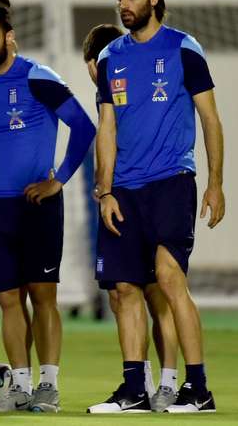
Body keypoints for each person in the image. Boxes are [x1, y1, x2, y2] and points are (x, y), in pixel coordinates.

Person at [89, 0, 224, 414]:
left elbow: (210, 119)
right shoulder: (110, 58)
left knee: (169, 279)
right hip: (123, 191)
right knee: (123, 289)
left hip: (171, 182)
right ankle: (133, 390)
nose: (124, 6)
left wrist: (216, 183)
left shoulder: (184, 48)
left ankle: (198, 388)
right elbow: (106, 127)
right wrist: (104, 191)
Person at [0, 0, 95, 413]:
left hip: (36, 205)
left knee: (43, 297)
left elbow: (83, 127)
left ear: (9, 37)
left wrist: (57, 179)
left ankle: (49, 386)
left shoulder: (39, 78)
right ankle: (19, 386)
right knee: (7, 300)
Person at [83, 23, 179, 411]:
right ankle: (144, 382)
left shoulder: (122, 84)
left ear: (96, 62)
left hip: (140, 195)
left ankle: (168, 382)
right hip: (117, 194)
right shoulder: (105, 92)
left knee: (156, 294)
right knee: (124, 292)